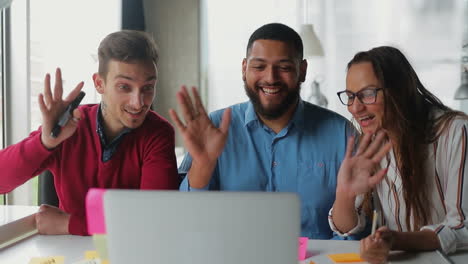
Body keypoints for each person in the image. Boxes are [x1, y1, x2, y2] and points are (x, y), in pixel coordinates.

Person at [169, 23, 390, 239]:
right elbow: (186, 223)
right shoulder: (214, 128)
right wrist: (202, 167)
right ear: (244, 69)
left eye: (283, 67)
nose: (271, 78)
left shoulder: (342, 134)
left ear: (302, 71)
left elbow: (355, 236)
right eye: (259, 66)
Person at [0, 30, 179, 235]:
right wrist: (45, 142)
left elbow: (155, 220)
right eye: (124, 87)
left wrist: (68, 224)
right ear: (99, 83)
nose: (138, 102)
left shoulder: (158, 133)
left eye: (148, 87)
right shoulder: (70, 125)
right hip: (71, 253)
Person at [330, 46, 468, 263]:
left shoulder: (455, 132)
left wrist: (397, 240)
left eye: (367, 94)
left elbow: (462, 227)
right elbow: (345, 227)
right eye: (350, 96)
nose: (355, 108)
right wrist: (344, 193)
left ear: (398, 91)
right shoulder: (371, 140)